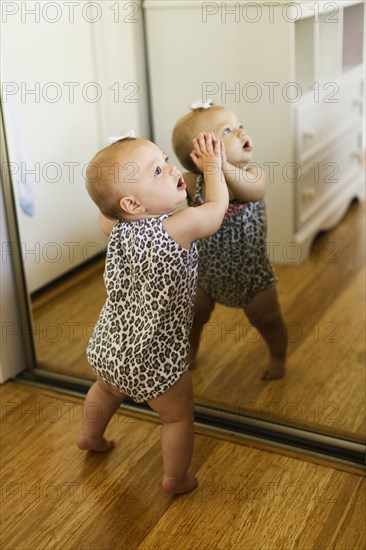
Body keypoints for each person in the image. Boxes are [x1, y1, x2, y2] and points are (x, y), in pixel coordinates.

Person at [76, 133, 228, 495]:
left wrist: (121, 169)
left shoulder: (114, 227)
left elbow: (105, 208)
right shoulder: (180, 226)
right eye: (157, 170)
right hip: (154, 358)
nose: (172, 168)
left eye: (164, 159)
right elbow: (216, 209)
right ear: (132, 202)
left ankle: (89, 436)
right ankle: (177, 478)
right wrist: (212, 168)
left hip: (109, 348)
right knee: (177, 416)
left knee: (104, 391)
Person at [172, 102, 287, 380]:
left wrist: (221, 166)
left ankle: (278, 356)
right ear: (197, 154)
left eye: (240, 126)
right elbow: (165, 197)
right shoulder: (191, 182)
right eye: (227, 130)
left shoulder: (251, 176)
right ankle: (189, 353)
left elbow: (254, 192)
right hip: (206, 273)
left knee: (268, 319)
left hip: (251, 275)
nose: (240, 132)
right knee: (193, 318)